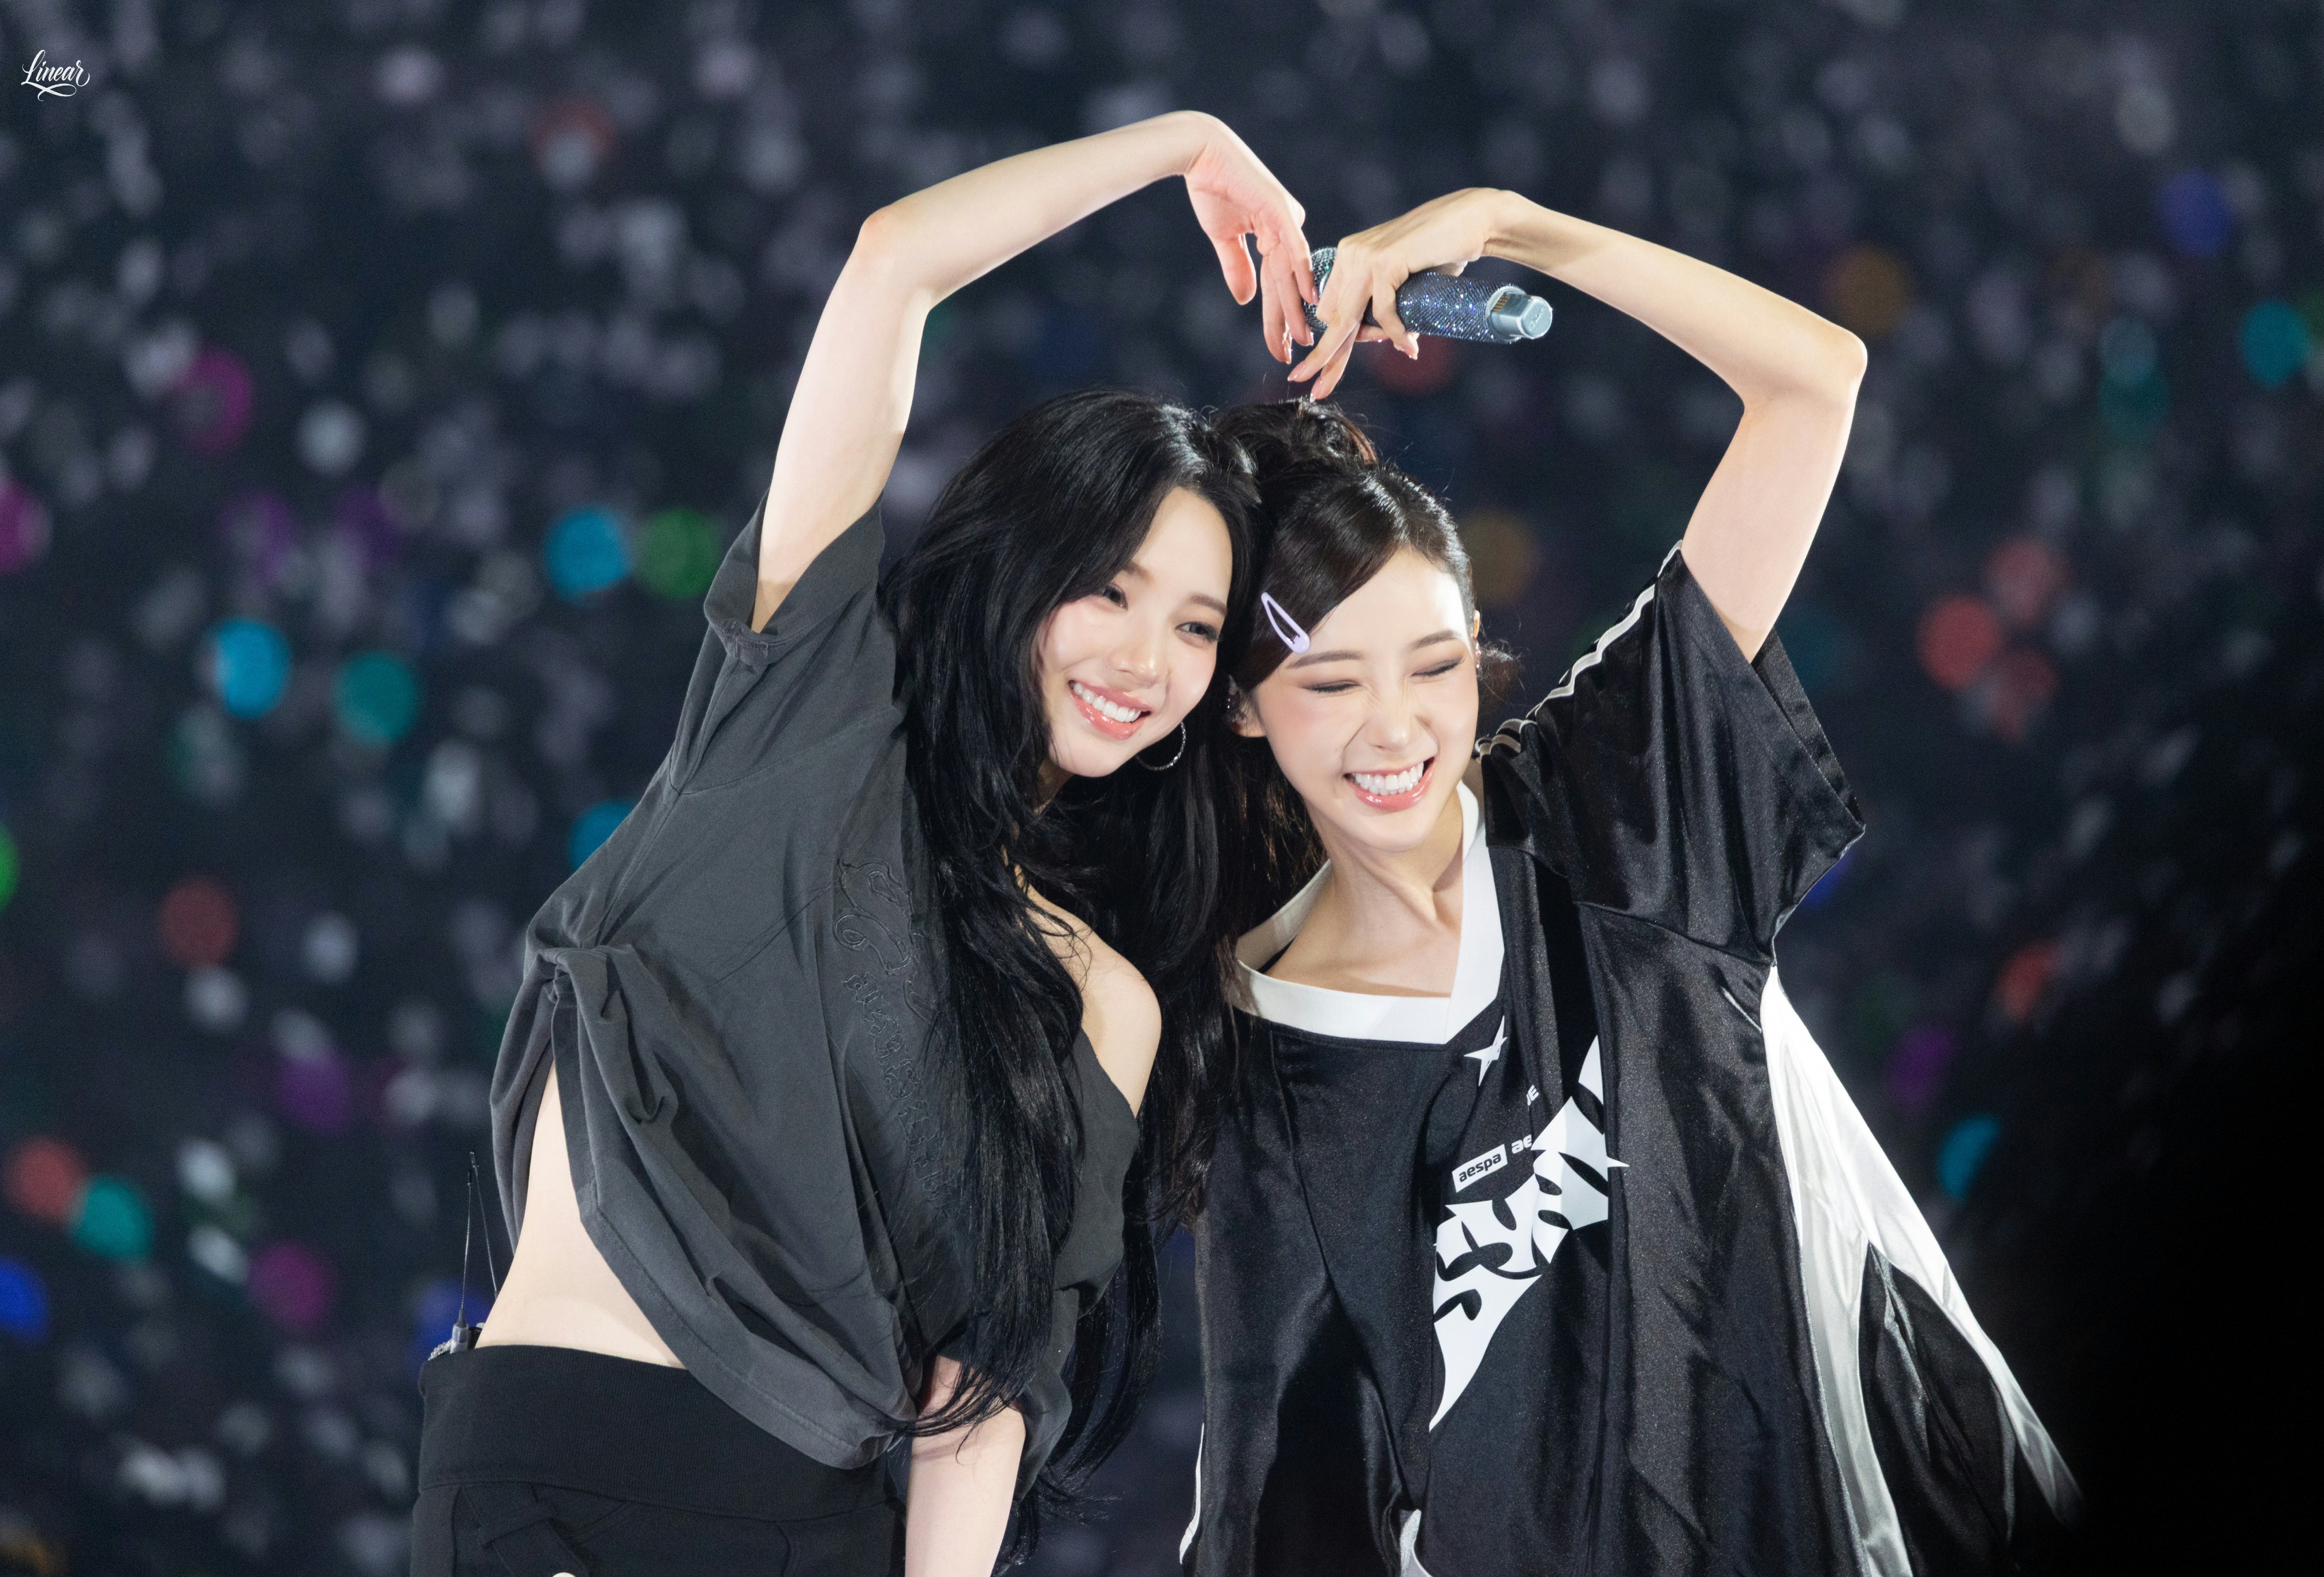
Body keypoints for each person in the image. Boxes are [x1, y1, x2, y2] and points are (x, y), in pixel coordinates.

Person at [408, 111, 1319, 1577]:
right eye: (1109, 588)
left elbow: (985, 1384)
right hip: (550, 1475)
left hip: (809, 1522)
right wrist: (1179, 146)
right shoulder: (811, 705)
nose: (1145, 658)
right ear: (1022, 564)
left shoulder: (1104, 1000)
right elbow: (892, 267)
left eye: (1196, 627)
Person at [1184, 188, 2081, 1576]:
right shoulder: (1264, 1078)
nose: (1393, 729)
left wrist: (1511, 225)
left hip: (1890, 1517)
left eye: (1431, 666)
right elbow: (1274, 1516)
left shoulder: (1605, 803)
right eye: (1328, 682)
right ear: (1243, 707)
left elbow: (1812, 383)